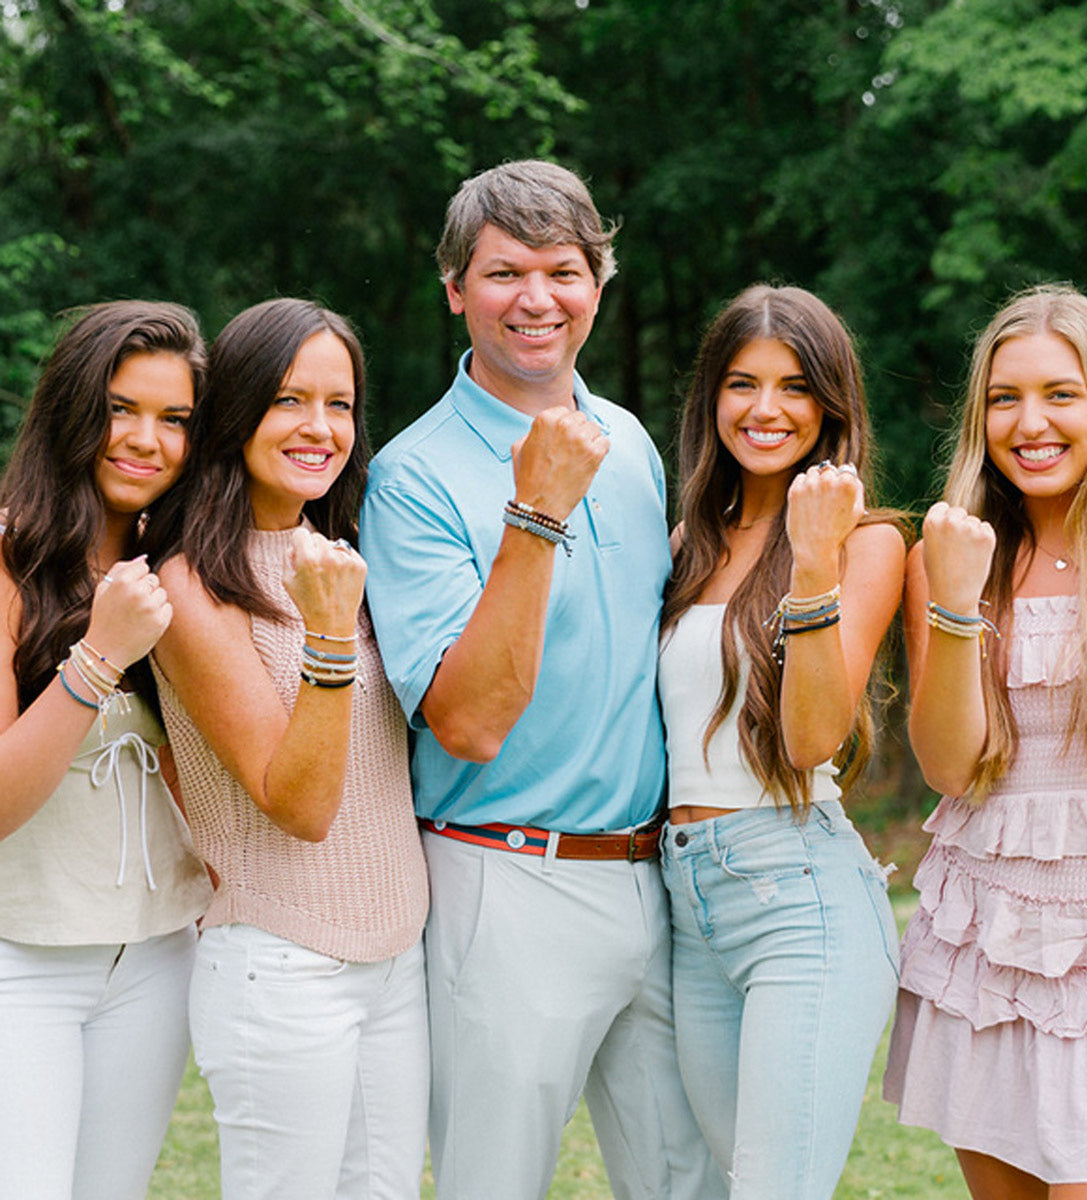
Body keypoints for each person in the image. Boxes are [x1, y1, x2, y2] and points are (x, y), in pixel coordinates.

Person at [360, 159, 723, 1200]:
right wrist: (538, 511)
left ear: (598, 286)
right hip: (505, 879)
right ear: (455, 289)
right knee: (494, 1182)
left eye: (563, 270)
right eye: (503, 272)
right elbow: (468, 721)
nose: (536, 300)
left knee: (688, 1180)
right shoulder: (414, 477)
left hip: (656, 878)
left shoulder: (636, 443)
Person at [883, 283, 1087, 1198]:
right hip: (988, 951)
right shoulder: (949, 561)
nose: (1031, 423)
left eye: (1060, 394)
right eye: (1004, 398)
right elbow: (949, 766)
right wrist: (952, 600)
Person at [145, 298, 429, 1200]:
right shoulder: (189, 584)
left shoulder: (349, 553)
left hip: (396, 955)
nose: (320, 427)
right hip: (279, 962)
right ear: (235, 413)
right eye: (288, 400)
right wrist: (330, 637)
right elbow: (300, 804)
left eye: (339, 403)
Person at [658, 284, 905, 1199]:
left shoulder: (867, 544)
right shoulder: (686, 541)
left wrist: (812, 557)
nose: (765, 409)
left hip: (801, 897)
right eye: (742, 383)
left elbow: (809, 738)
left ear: (831, 405)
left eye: (796, 386)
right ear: (710, 399)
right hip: (688, 900)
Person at [0, 301, 213, 1200]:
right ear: (72, 410)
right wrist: (98, 658)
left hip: (157, 956)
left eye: (175, 420)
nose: (145, 440)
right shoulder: (9, 558)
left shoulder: (183, 571)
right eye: (121, 408)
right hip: (24, 960)